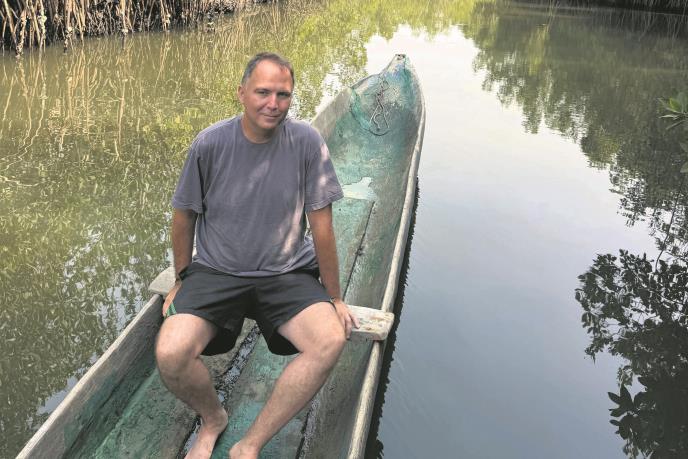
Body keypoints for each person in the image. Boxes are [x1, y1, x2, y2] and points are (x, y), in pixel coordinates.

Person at [155, 52, 359, 459]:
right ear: (242, 93)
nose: (273, 103)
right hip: (216, 271)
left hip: (287, 273)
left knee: (330, 340)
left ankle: (249, 445)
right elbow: (184, 215)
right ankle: (213, 419)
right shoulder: (210, 143)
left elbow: (322, 229)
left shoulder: (306, 143)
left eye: (283, 95)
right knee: (170, 352)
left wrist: (335, 297)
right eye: (263, 92)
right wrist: (181, 277)